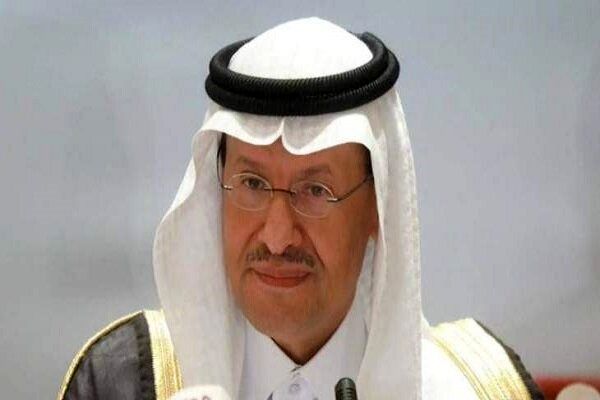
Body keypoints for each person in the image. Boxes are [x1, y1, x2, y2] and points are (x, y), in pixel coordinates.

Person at [57, 17, 543, 400]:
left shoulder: (482, 390)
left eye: (315, 190)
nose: (277, 236)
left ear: (377, 207)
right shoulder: (123, 383)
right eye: (251, 184)